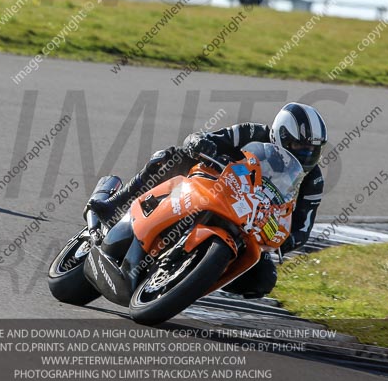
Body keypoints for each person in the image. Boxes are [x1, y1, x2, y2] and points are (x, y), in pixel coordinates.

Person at [88, 102, 327, 298]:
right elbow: (205, 137)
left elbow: (302, 228)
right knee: (171, 157)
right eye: (299, 146)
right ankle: (116, 202)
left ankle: (197, 275)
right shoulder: (252, 133)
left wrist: (282, 241)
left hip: (253, 223)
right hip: (217, 186)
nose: (305, 154)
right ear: (280, 135)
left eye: (312, 150)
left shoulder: (312, 179)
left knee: (263, 278)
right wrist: (200, 143)